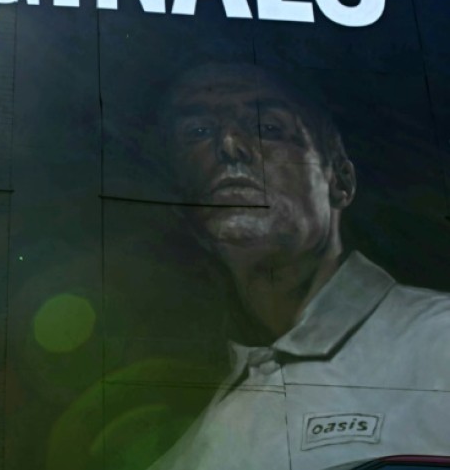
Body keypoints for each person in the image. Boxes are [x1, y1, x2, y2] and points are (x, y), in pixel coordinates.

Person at [147, 63, 450, 470]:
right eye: (198, 133)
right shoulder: (185, 454)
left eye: (270, 128)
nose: (231, 145)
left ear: (340, 180)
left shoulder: (438, 341)